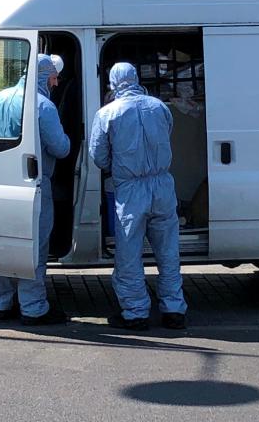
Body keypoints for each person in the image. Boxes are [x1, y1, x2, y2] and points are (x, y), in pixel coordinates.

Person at [89, 62, 188, 330]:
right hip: (163, 185)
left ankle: (135, 313)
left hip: (131, 189)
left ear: (112, 82)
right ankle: (174, 310)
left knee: (129, 256)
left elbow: (98, 156)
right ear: (135, 78)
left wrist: (118, 166)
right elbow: (166, 136)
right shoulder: (159, 107)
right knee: (168, 253)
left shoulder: (107, 113)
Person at [0, 54, 71, 324]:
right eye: (54, 77)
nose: (56, 82)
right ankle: (33, 307)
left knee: (1, 246)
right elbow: (61, 147)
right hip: (33, 184)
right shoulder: (43, 106)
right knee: (34, 248)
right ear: (44, 76)